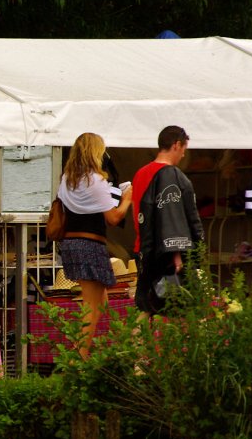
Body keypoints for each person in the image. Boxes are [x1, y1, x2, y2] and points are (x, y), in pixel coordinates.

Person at [57, 132, 132, 359]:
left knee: (101, 300)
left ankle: (95, 348)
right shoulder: (96, 180)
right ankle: (80, 357)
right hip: (90, 244)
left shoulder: (67, 179)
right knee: (91, 304)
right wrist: (128, 197)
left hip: (71, 242)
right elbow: (113, 218)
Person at [132, 125, 204, 315]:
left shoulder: (140, 173)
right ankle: (179, 343)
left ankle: (135, 342)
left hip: (142, 248)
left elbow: (136, 212)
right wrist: (176, 254)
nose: (182, 156)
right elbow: (171, 217)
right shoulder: (170, 176)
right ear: (176, 145)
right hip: (164, 253)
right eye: (183, 150)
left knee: (148, 304)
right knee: (176, 304)